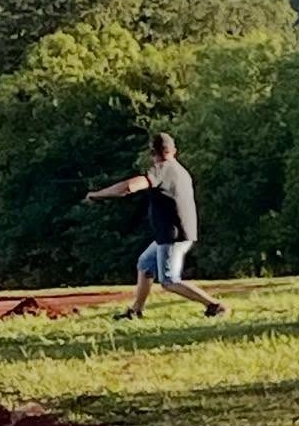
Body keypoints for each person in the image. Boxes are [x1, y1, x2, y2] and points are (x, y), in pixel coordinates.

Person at [85, 132, 228, 320]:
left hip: (173, 235)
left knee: (169, 281)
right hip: (176, 232)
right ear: (174, 150)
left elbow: (129, 187)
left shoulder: (162, 169)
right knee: (145, 264)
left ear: (152, 152)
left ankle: (215, 306)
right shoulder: (179, 169)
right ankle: (136, 311)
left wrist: (97, 194)